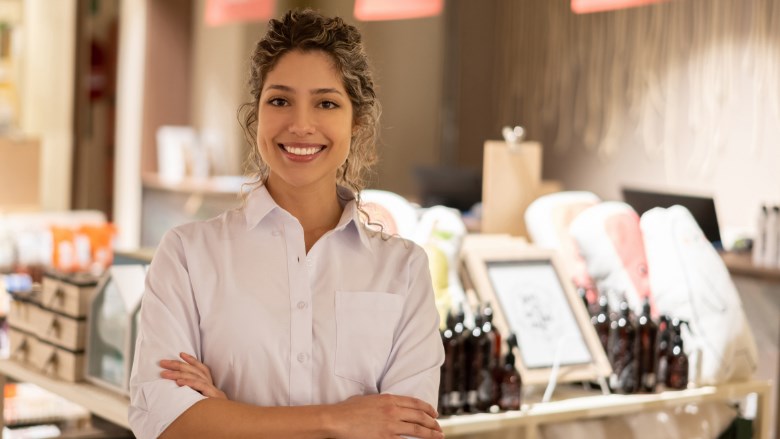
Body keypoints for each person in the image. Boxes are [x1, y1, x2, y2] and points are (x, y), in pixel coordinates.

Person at [128, 8, 445, 439]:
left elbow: (408, 431)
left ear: (358, 122)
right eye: (279, 100)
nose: (300, 125)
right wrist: (341, 420)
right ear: (256, 115)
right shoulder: (186, 254)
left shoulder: (404, 271)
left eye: (326, 103)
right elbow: (162, 423)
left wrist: (228, 417)